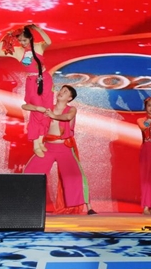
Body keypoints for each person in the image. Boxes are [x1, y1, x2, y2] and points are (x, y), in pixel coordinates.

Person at [22, 85, 96, 215]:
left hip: (64, 147)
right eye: (61, 90)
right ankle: (26, 204)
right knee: (30, 171)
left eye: (65, 91)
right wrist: (38, 108)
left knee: (76, 176)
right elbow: (25, 106)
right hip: (47, 147)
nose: (61, 92)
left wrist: (53, 115)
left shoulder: (71, 109)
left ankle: (89, 207)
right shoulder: (48, 107)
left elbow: (67, 117)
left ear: (70, 98)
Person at [0, 24, 54, 157]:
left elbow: (49, 42)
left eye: (24, 40)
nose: (22, 43)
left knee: (47, 110)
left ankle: (41, 142)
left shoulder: (38, 46)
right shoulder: (17, 51)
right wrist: (5, 36)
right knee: (37, 111)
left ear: (30, 38)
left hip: (45, 79)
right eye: (20, 40)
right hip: (32, 82)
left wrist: (38, 30)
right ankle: (35, 145)